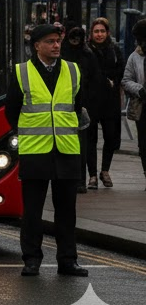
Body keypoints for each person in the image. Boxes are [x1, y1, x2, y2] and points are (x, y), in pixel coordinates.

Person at [4, 23, 88, 276]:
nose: (56, 45)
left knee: (67, 211)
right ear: (37, 45)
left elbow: (78, 105)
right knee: (32, 211)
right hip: (35, 150)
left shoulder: (73, 70)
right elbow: (12, 111)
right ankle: (31, 259)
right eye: (50, 41)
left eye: (57, 41)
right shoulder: (21, 72)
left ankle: (67, 260)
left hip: (66, 149)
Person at [60, 26, 101, 192]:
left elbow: (94, 79)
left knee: (82, 145)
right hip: (66, 104)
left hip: (83, 105)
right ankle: (74, 179)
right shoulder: (66, 53)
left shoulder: (87, 54)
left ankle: (80, 180)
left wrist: (87, 103)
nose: (75, 41)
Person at [87, 17, 124, 189]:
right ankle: (92, 175)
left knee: (110, 136)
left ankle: (105, 171)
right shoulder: (86, 50)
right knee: (90, 139)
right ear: (91, 33)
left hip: (110, 101)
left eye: (102, 31)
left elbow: (121, 70)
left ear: (107, 33)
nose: (99, 34)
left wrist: (112, 80)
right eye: (96, 31)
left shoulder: (115, 50)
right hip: (91, 101)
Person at [121, 18, 146, 193]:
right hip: (143, 108)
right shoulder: (135, 56)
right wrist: (140, 90)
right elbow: (126, 80)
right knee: (144, 145)